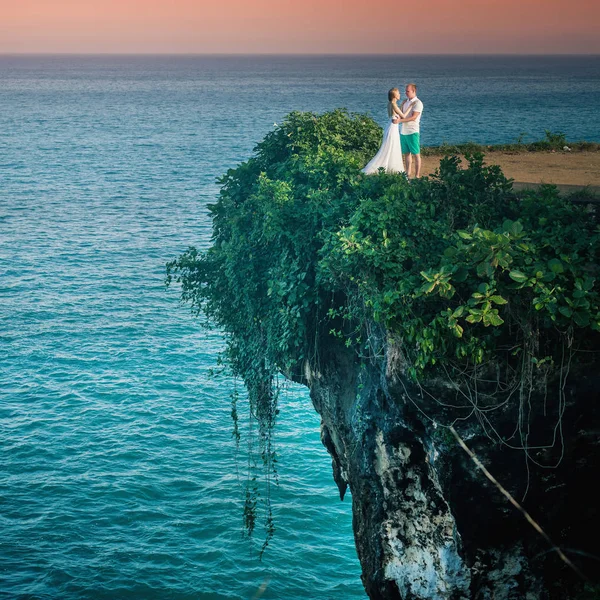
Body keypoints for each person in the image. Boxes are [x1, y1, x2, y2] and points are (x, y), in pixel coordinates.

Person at [361, 88, 405, 175]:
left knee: (389, 146)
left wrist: (402, 105)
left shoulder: (390, 104)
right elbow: (403, 116)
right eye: (398, 93)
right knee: (391, 146)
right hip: (393, 127)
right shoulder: (394, 105)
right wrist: (410, 107)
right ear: (395, 95)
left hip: (390, 126)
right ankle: (389, 167)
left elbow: (396, 111)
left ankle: (389, 166)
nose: (400, 94)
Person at [393, 83, 423, 178]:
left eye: (408, 91)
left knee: (416, 154)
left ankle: (417, 175)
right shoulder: (405, 102)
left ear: (414, 91)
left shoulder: (418, 103)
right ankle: (408, 174)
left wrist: (399, 121)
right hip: (403, 131)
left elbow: (413, 117)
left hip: (412, 131)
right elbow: (401, 113)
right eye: (405, 91)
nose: (406, 93)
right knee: (406, 154)